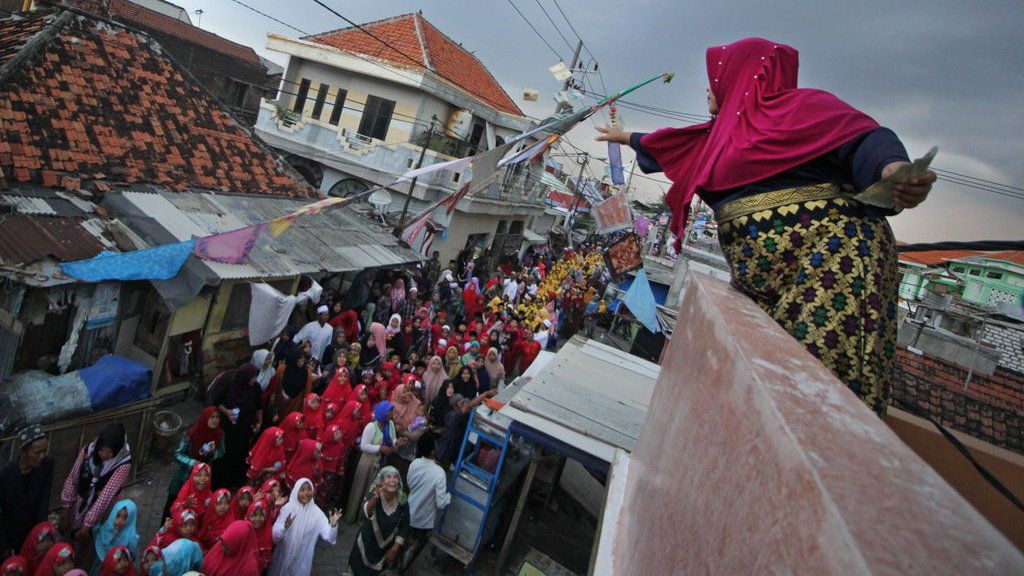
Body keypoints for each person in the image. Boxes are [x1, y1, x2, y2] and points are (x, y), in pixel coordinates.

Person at [596, 38, 935, 415]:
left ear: (743, 74)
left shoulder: (803, 108)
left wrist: (893, 171)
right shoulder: (717, 138)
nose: (710, 86)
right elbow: (667, 144)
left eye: (717, 76)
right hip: (770, 285)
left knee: (809, 393)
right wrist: (622, 137)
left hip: (835, 266)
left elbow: (867, 140)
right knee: (760, 385)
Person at [60, 424, 131, 569]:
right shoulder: (88, 451)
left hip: (101, 509)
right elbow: (73, 477)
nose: (103, 455)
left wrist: (87, 524)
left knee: (88, 542)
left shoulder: (123, 463)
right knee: (70, 533)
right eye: (101, 450)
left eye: (108, 452)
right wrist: (66, 506)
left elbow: (105, 496)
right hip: (81, 501)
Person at [267, 479, 342, 576]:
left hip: (302, 561)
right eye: (302, 489)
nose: (306, 493)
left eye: (309, 489)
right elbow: (274, 537)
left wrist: (333, 525)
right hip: (283, 558)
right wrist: (284, 528)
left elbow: (329, 537)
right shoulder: (287, 509)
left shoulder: (317, 513)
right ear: (296, 491)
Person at [343, 403, 402, 525]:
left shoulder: (390, 425)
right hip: (369, 462)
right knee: (361, 488)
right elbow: (364, 446)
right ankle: (353, 515)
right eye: (389, 412)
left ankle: (364, 516)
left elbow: (392, 439)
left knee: (372, 491)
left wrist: (397, 443)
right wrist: (380, 448)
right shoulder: (372, 426)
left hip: (381, 462)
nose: (391, 414)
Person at [0, 425, 54, 559]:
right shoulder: (5, 474)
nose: (42, 456)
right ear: (24, 451)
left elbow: (44, 499)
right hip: (9, 533)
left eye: (44, 451)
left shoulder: (46, 465)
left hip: (32, 532)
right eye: (37, 452)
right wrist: (4, 546)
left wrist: (41, 534)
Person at [346, 467, 409, 576]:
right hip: (365, 545)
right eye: (388, 477)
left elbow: (405, 525)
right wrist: (375, 497)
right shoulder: (374, 494)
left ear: (399, 481)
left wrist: (395, 548)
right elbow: (366, 512)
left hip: (384, 551)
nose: (392, 480)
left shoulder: (402, 500)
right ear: (381, 481)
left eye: (395, 477)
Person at [401, 434, 449, 570]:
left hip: (409, 512)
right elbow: (441, 503)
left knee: (401, 543)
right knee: (413, 551)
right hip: (424, 521)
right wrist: (448, 497)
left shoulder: (415, 464)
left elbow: (409, 484)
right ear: (432, 451)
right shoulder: (439, 473)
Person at [165, 408, 223, 518]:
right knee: (175, 508)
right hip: (184, 477)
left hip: (202, 481)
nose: (215, 420)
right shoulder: (191, 435)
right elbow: (177, 454)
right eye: (211, 417)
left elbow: (221, 452)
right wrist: (193, 463)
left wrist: (213, 452)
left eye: (217, 417)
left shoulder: (218, 435)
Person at [212, 363, 262, 490]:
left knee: (239, 454)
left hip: (243, 428)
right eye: (252, 377)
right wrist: (227, 412)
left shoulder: (255, 388)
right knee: (225, 454)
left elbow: (259, 406)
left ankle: (235, 481)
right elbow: (217, 402)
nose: (254, 380)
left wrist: (259, 423)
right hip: (227, 427)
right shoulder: (231, 386)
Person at [91, 501, 138, 576]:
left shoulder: (131, 538)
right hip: (99, 560)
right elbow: (98, 537)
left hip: (117, 568)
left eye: (125, 517)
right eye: (118, 516)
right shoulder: (108, 526)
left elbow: (131, 555)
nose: (120, 520)